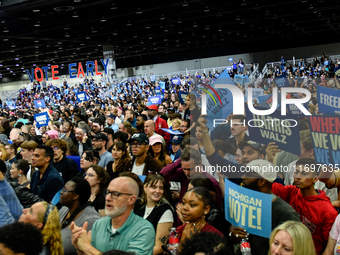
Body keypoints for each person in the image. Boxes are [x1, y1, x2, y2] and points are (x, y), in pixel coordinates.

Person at [70, 176, 155, 255]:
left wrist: (87, 247)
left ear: (131, 200)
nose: (107, 198)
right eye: (107, 192)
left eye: (115, 194)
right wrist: (80, 248)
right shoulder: (99, 224)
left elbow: (89, 250)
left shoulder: (144, 230)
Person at [271, 158, 338, 255]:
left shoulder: (328, 211)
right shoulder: (291, 191)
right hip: (285, 250)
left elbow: (329, 247)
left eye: (304, 173)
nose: (298, 177)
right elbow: (269, 187)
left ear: (315, 178)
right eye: (296, 172)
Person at [134, 174, 175, 255]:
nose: (158, 191)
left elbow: (159, 248)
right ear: (145, 187)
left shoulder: (165, 210)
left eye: (161, 188)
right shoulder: (138, 205)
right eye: (154, 187)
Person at [59, 177, 100, 255]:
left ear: (75, 196)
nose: (61, 192)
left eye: (65, 190)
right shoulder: (64, 209)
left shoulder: (91, 220)